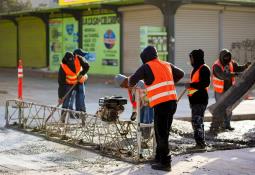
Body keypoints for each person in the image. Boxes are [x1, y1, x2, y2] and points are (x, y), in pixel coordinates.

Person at [129, 46, 184, 172]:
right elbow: (181, 73)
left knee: (161, 134)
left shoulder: (146, 66)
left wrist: (131, 82)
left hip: (161, 104)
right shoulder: (166, 64)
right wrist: (170, 82)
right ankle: (159, 157)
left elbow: (132, 80)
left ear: (145, 58)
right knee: (162, 132)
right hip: (172, 102)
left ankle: (165, 162)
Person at [210, 49, 251, 132]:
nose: (227, 58)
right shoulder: (216, 65)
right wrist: (235, 74)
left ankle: (227, 125)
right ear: (221, 57)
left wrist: (245, 66)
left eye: (228, 56)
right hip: (220, 91)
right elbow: (222, 75)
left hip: (229, 89)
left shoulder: (231, 62)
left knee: (229, 108)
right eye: (225, 57)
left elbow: (238, 68)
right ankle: (219, 125)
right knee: (220, 108)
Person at [186, 49, 210, 149]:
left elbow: (205, 83)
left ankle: (200, 144)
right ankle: (199, 143)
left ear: (196, 58)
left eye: (191, 58)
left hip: (200, 99)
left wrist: (191, 84)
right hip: (195, 100)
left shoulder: (204, 68)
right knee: (196, 122)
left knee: (197, 121)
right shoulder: (196, 69)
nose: (190, 60)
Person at [58, 50, 89, 123]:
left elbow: (87, 66)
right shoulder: (63, 66)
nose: (71, 63)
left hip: (79, 82)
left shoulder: (78, 58)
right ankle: (63, 119)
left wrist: (81, 74)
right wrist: (61, 96)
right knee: (66, 101)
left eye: (72, 60)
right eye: (69, 62)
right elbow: (61, 83)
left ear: (74, 57)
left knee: (81, 99)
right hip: (69, 84)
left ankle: (83, 118)